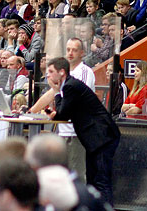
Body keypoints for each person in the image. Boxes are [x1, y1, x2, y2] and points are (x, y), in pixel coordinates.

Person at [45, 57, 120, 204]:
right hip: (95, 138)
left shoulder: (70, 86)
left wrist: (55, 92)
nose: (48, 75)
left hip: (102, 136)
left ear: (61, 72)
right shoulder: (69, 85)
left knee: (101, 180)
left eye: (51, 71)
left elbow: (62, 114)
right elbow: (63, 113)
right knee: (93, 179)